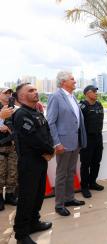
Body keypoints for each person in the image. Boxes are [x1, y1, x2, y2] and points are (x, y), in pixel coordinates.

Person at [13, 83, 55, 244]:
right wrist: (49, 151)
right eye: (31, 90)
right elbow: (32, 139)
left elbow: (47, 132)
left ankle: (33, 223)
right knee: (27, 198)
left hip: (41, 160)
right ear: (22, 97)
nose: (35, 92)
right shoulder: (21, 114)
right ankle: (21, 234)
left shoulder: (36, 112)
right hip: (29, 162)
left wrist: (49, 149)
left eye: (35, 89)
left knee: (38, 195)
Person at [47, 71, 87, 217]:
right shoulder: (55, 97)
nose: (75, 81)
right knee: (62, 173)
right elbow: (50, 122)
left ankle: (69, 198)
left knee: (71, 171)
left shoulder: (72, 96)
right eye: (72, 79)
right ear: (63, 82)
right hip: (63, 143)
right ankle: (59, 204)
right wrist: (57, 143)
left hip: (75, 141)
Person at [79, 85, 104, 198]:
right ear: (87, 93)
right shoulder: (82, 107)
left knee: (96, 161)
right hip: (87, 139)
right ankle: (84, 187)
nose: (96, 93)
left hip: (98, 137)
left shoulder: (99, 105)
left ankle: (92, 183)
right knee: (85, 164)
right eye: (94, 91)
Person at [0, 88, 18, 211]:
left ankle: (10, 196)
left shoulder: (13, 109)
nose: (8, 95)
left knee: (12, 172)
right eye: (5, 93)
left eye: (9, 93)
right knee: (0, 173)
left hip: (12, 145)